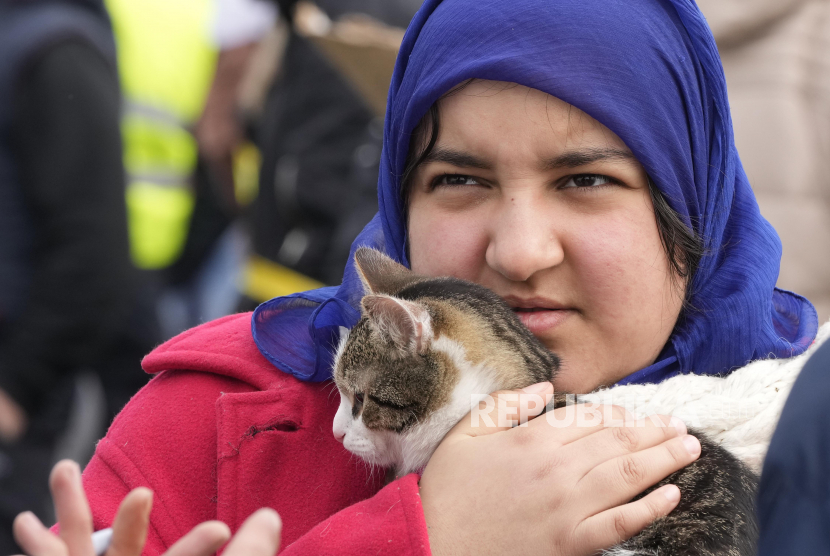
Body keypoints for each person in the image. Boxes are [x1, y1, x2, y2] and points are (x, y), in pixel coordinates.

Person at [16, 0, 822, 554]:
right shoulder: (219, 419)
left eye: (586, 181)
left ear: (692, 209)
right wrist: (425, 534)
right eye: (458, 181)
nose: (520, 250)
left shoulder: (799, 437)